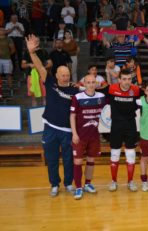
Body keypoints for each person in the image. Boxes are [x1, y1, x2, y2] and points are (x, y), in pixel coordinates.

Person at [26, 34, 79, 197]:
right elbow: (40, 68)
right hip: (50, 128)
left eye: (67, 74)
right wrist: (32, 53)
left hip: (67, 131)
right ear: (56, 75)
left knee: (69, 160)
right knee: (52, 158)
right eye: (63, 75)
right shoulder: (50, 83)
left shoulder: (74, 90)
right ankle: (54, 184)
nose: (66, 77)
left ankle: (69, 183)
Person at [104, 69, 140, 192]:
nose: (127, 82)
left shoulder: (136, 90)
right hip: (116, 125)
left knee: (131, 155)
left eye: (129, 79)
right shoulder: (111, 89)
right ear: (119, 79)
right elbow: (93, 91)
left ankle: (130, 181)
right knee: (115, 154)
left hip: (130, 125)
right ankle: (114, 181)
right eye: (124, 79)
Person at [70, 74, 106, 200]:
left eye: (93, 82)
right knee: (78, 161)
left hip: (94, 136)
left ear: (96, 83)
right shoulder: (77, 97)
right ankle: (78, 187)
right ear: (84, 84)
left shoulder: (101, 97)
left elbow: (106, 113)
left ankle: (88, 184)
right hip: (80, 136)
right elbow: (72, 116)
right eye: (88, 82)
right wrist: (74, 133)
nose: (91, 84)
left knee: (91, 161)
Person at [22, 36, 52, 106]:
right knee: (33, 97)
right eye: (34, 41)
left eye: (37, 41)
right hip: (31, 76)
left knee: (44, 96)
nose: (36, 42)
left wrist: (41, 68)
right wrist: (29, 65)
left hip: (42, 77)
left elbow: (50, 63)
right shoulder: (27, 52)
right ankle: (34, 114)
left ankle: (45, 113)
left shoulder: (43, 51)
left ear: (39, 42)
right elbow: (22, 65)